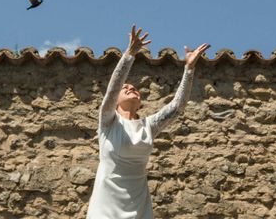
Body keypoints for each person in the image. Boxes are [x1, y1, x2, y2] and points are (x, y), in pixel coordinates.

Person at [86, 25, 209, 219]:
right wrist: (129, 54)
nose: (130, 88)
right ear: (115, 101)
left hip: (138, 206)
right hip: (106, 208)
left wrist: (189, 69)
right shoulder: (108, 121)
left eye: (134, 87)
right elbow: (113, 88)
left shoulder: (148, 126)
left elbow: (177, 107)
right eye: (125, 87)